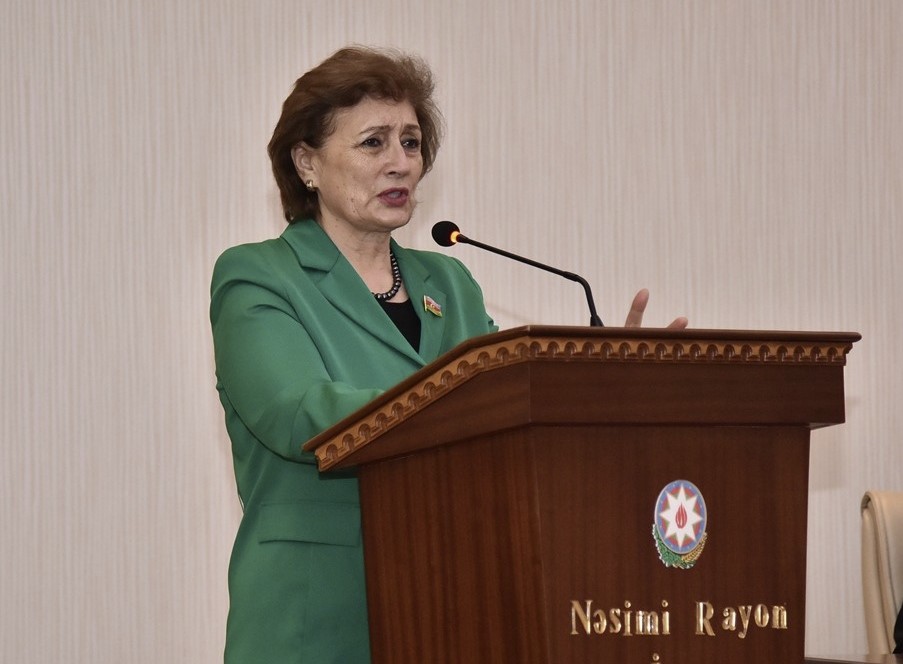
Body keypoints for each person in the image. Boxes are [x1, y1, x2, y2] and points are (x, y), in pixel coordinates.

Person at [210, 45, 687, 663]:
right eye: (373, 143)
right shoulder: (259, 276)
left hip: (449, 609)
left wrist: (598, 387)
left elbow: (507, 414)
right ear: (307, 164)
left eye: (411, 143)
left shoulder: (450, 283)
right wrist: (465, 401)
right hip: (316, 618)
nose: (400, 163)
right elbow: (299, 413)